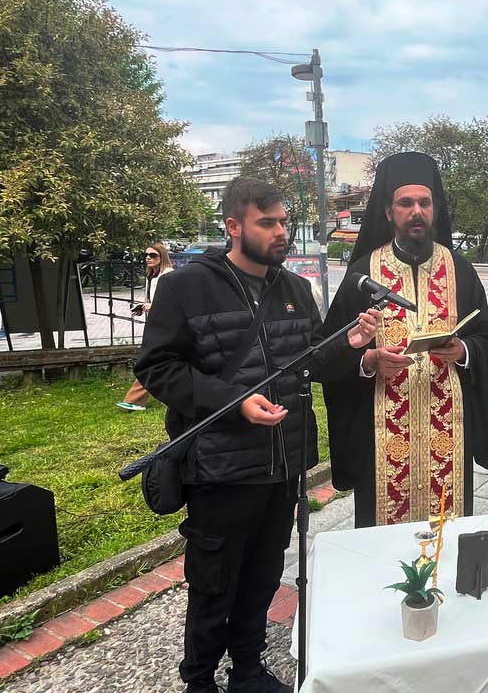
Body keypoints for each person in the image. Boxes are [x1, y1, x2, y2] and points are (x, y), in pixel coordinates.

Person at [133, 176, 380, 693]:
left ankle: (247, 669)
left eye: (284, 222)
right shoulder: (185, 287)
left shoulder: (295, 289)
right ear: (233, 226)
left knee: (264, 574)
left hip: (284, 463)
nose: (281, 232)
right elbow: (157, 369)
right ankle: (199, 681)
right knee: (213, 582)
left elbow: (310, 363)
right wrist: (234, 401)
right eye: (267, 223)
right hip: (220, 467)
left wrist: (351, 342)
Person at [321, 152, 488, 527]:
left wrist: (464, 350)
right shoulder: (363, 274)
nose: (417, 212)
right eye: (406, 203)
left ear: (435, 209)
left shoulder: (460, 270)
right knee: (381, 545)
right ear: (388, 212)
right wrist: (368, 361)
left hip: (448, 434)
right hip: (381, 436)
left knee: (446, 539)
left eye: (425, 202)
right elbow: (327, 353)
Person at [116, 242, 174, 412]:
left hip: (167, 327)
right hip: (157, 325)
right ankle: (170, 396)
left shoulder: (168, 276)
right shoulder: (151, 275)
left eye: (153, 255)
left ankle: (135, 400)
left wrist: (153, 306)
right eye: (146, 255)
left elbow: (173, 303)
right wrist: (143, 307)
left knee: (150, 361)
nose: (148, 258)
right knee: (164, 362)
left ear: (162, 257)